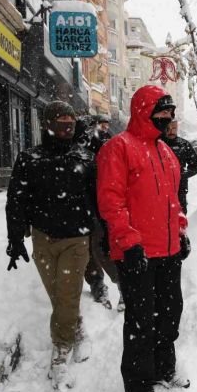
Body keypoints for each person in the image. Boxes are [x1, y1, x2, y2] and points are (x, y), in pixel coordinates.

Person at [96, 85, 191, 392]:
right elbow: (111, 201)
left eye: (171, 113)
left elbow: (173, 202)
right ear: (144, 113)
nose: (168, 118)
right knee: (141, 320)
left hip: (168, 252)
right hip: (137, 253)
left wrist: (180, 232)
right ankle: (138, 386)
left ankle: (164, 368)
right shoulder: (118, 148)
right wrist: (128, 241)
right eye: (162, 112)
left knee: (169, 313)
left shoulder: (166, 152)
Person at [5, 101, 96, 390]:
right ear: (47, 124)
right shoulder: (29, 158)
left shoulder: (85, 157)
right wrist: (15, 237)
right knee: (59, 295)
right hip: (43, 238)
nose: (66, 124)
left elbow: (99, 200)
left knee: (67, 295)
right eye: (60, 119)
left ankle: (60, 353)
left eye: (70, 120)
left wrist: (105, 232)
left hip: (76, 239)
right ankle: (76, 326)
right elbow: (16, 200)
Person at [71, 117, 124, 311]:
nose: (88, 133)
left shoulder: (103, 146)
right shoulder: (71, 150)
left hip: (97, 207)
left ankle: (122, 286)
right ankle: (97, 285)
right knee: (87, 251)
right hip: (78, 209)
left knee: (103, 248)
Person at [162, 119, 197, 214]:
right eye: (168, 128)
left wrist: (183, 175)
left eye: (174, 128)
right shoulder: (157, 144)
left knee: (180, 217)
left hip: (180, 190)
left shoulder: (183, 145)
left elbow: (196, 165)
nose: (171, 131)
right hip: (160, 190)